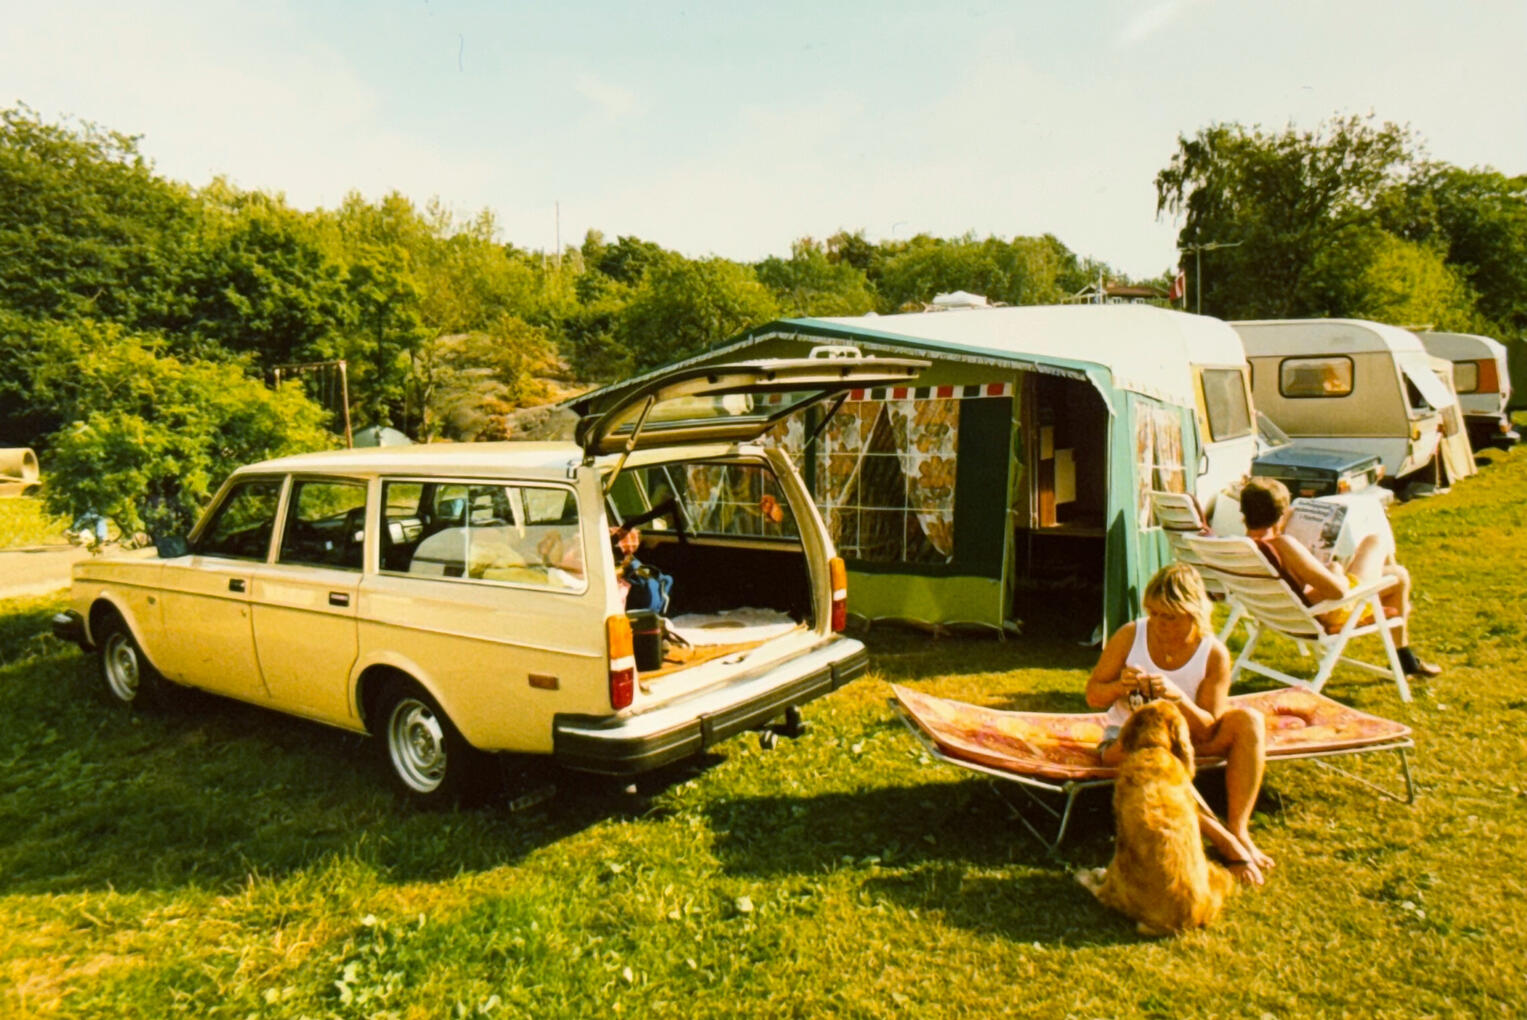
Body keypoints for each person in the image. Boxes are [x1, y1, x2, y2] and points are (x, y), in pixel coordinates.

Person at [1085, 563, 1271, 885]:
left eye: (1169, 616)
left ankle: (1239, 828)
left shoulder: (1213, 653)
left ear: (1193, 614)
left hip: (1184, 740)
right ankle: (1224, 840)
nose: (1159, 624)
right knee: (1154, 753)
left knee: (1250, 721)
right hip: (1129, 740)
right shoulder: (1132, 635)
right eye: (1154, 613)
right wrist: (1119, 688)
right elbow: (1093, 695)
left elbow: (1208, 728)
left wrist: (1178, 699)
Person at [1238, 477, 1441, 678]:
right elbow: (1337, 591)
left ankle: (1404, 657)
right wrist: (1335, 570)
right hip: (1329, 611)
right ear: (1282, 514)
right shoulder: (1284, 545)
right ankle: (1403, 654)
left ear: (1244, 513)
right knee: (1377, 544)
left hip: (1280, 616)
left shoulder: (1241, 547)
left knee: (1398, 576)